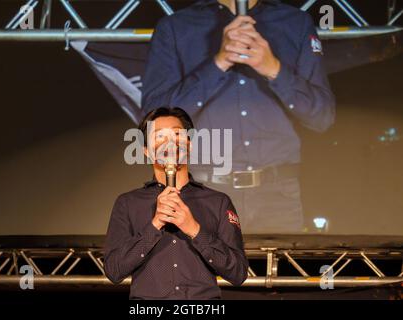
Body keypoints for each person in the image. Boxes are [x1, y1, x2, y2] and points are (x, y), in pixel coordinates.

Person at [141, 0, 336, 233]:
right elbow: (154, 121)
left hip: (277, 195)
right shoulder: (176, 27)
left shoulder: (295, 22)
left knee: (276, 270)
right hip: (203, 194)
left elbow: (323, 117)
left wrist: (273, 68)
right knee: (199, 270)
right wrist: (219, 62)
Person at [104, 107, 249, 299]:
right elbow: (114, 271)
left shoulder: (218, 202)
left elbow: (238, 273)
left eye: (177, 134)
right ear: (146, 151)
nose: (170, 143)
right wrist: (154, 225)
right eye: (160, 136)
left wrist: (195, 230)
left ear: (189, 144)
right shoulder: (128, 203)